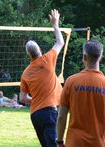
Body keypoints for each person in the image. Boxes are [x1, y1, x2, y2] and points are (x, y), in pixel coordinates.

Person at [56, 40, 105, 147]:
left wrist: (59, 141)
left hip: (75, 142)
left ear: (84, 57)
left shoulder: (71, 81)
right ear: (100, 57)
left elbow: (61, 116)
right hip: (99, 143)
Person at [20, 9, 65, 147]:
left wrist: (36, 100)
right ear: (39, 49)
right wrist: (55, 24)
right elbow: (60, 42)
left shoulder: (25, 73)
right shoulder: (47, 59)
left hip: (35, 115)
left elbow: (22, 99)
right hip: (49, 112)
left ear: (28, 56)